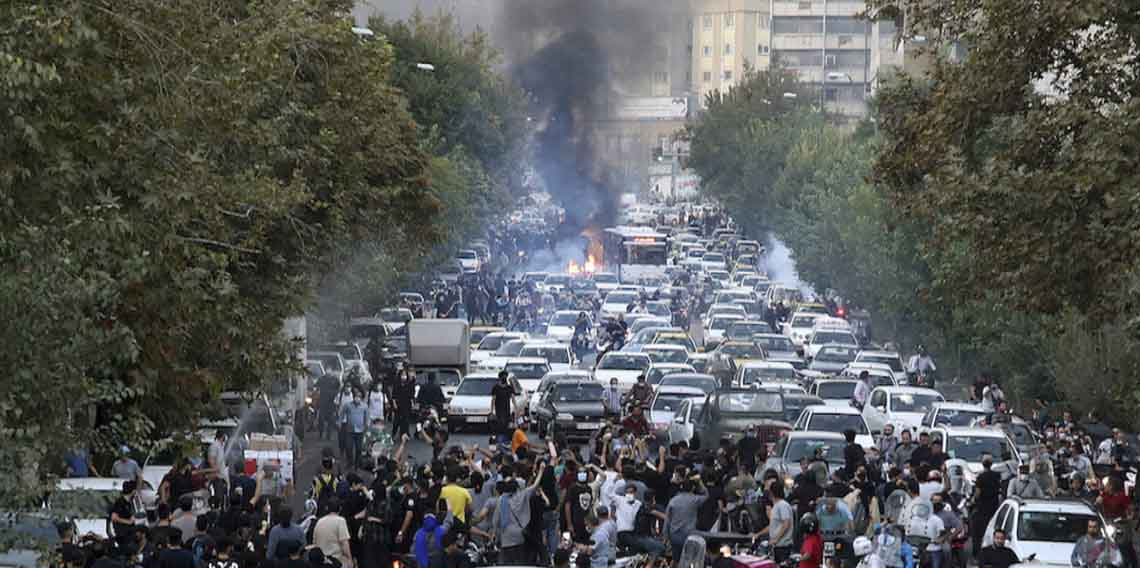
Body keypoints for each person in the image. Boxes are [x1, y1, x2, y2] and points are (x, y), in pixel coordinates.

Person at [313, 498, 354, 568]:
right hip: (336, 561)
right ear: (340, 508)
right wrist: (350, 560)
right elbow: (345, 544)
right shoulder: (340, 521)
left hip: (320, 561)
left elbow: (314, 542)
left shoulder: (319, 521)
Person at [490, 371, 516, 441]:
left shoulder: (509, 387)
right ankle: (499, 440)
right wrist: (492, 411)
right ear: (500, 378)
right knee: (500, 426)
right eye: (503, 377)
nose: (504, 378)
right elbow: (493, 399)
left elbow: (513, 398)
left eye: (505, 376)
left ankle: (505, 440)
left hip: (507, 410)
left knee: (507, 426)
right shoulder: (496, 388)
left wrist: (516, 409)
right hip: (499, 411)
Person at [317, 373, 342, 440]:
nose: (329, 370)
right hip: (323, 403)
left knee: (331, 420)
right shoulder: (322, 379)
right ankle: (321, 434)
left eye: (330, 369)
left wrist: (335, 394)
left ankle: (329, 436)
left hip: (331, 403)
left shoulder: (335, 379)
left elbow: (339, 387)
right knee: (321, 420)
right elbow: (316, 386)